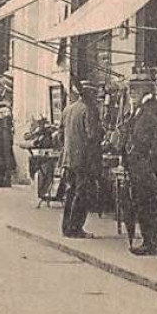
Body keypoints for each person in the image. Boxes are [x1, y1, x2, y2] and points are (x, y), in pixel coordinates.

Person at [122, 89, 157, 255]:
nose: (132, 94)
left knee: (150, 205)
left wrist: (149, 163)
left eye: (134, 90)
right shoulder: (138, 112)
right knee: (143, 204)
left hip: (149, 168)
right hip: (139, 167)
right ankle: (147, 241)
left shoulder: (152, 111)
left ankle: (151, 244)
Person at [59, 79, 103, 238]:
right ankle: (76, 228)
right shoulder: (89, 110)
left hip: (69, 158)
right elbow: (92, 135)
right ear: (89, 93)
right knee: (81, 193)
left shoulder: (68, 109)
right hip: (84, 159)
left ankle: (66, 227)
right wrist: (101, 134)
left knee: (70, 192)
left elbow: (59, 135)